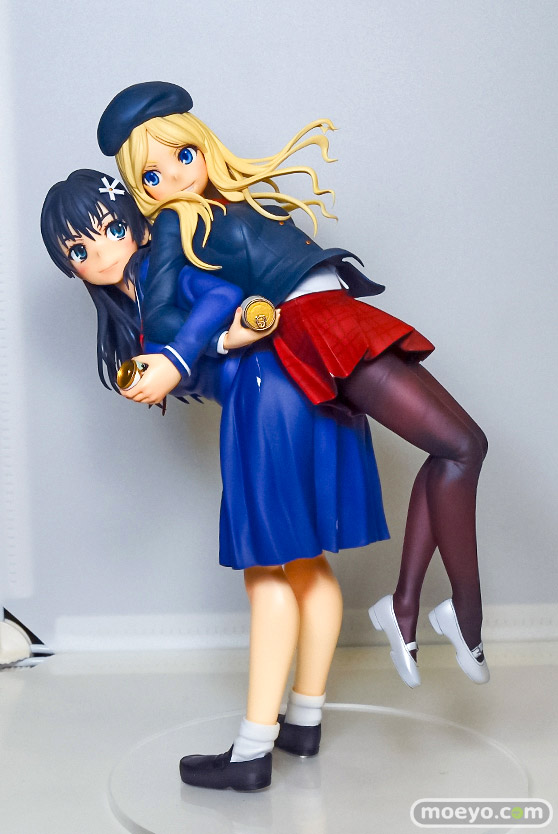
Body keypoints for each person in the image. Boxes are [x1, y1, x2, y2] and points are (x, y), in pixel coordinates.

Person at [97, 82, 490, 698]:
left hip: (339, 317)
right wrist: (202, 346)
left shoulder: (234, 198)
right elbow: (165, 312)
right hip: (313, 331)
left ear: (202, 146)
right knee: (462, 447)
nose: (172, 177)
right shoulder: (175, 221)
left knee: (458, 449)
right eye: (151, 176)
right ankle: (458, 618)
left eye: (182, 155)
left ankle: (409, 608)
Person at [41, 169, 389, 790]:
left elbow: (222, 296)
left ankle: (252, 752)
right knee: (306, 567)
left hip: (267, 397)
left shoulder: (163, 268)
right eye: (78, 248)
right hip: (299, 386)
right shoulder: (134, 298)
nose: (101, 252)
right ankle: (304, 721)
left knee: (267, 572)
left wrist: (176, 361)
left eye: (112, 228)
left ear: (139, 224)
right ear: (69, 266)